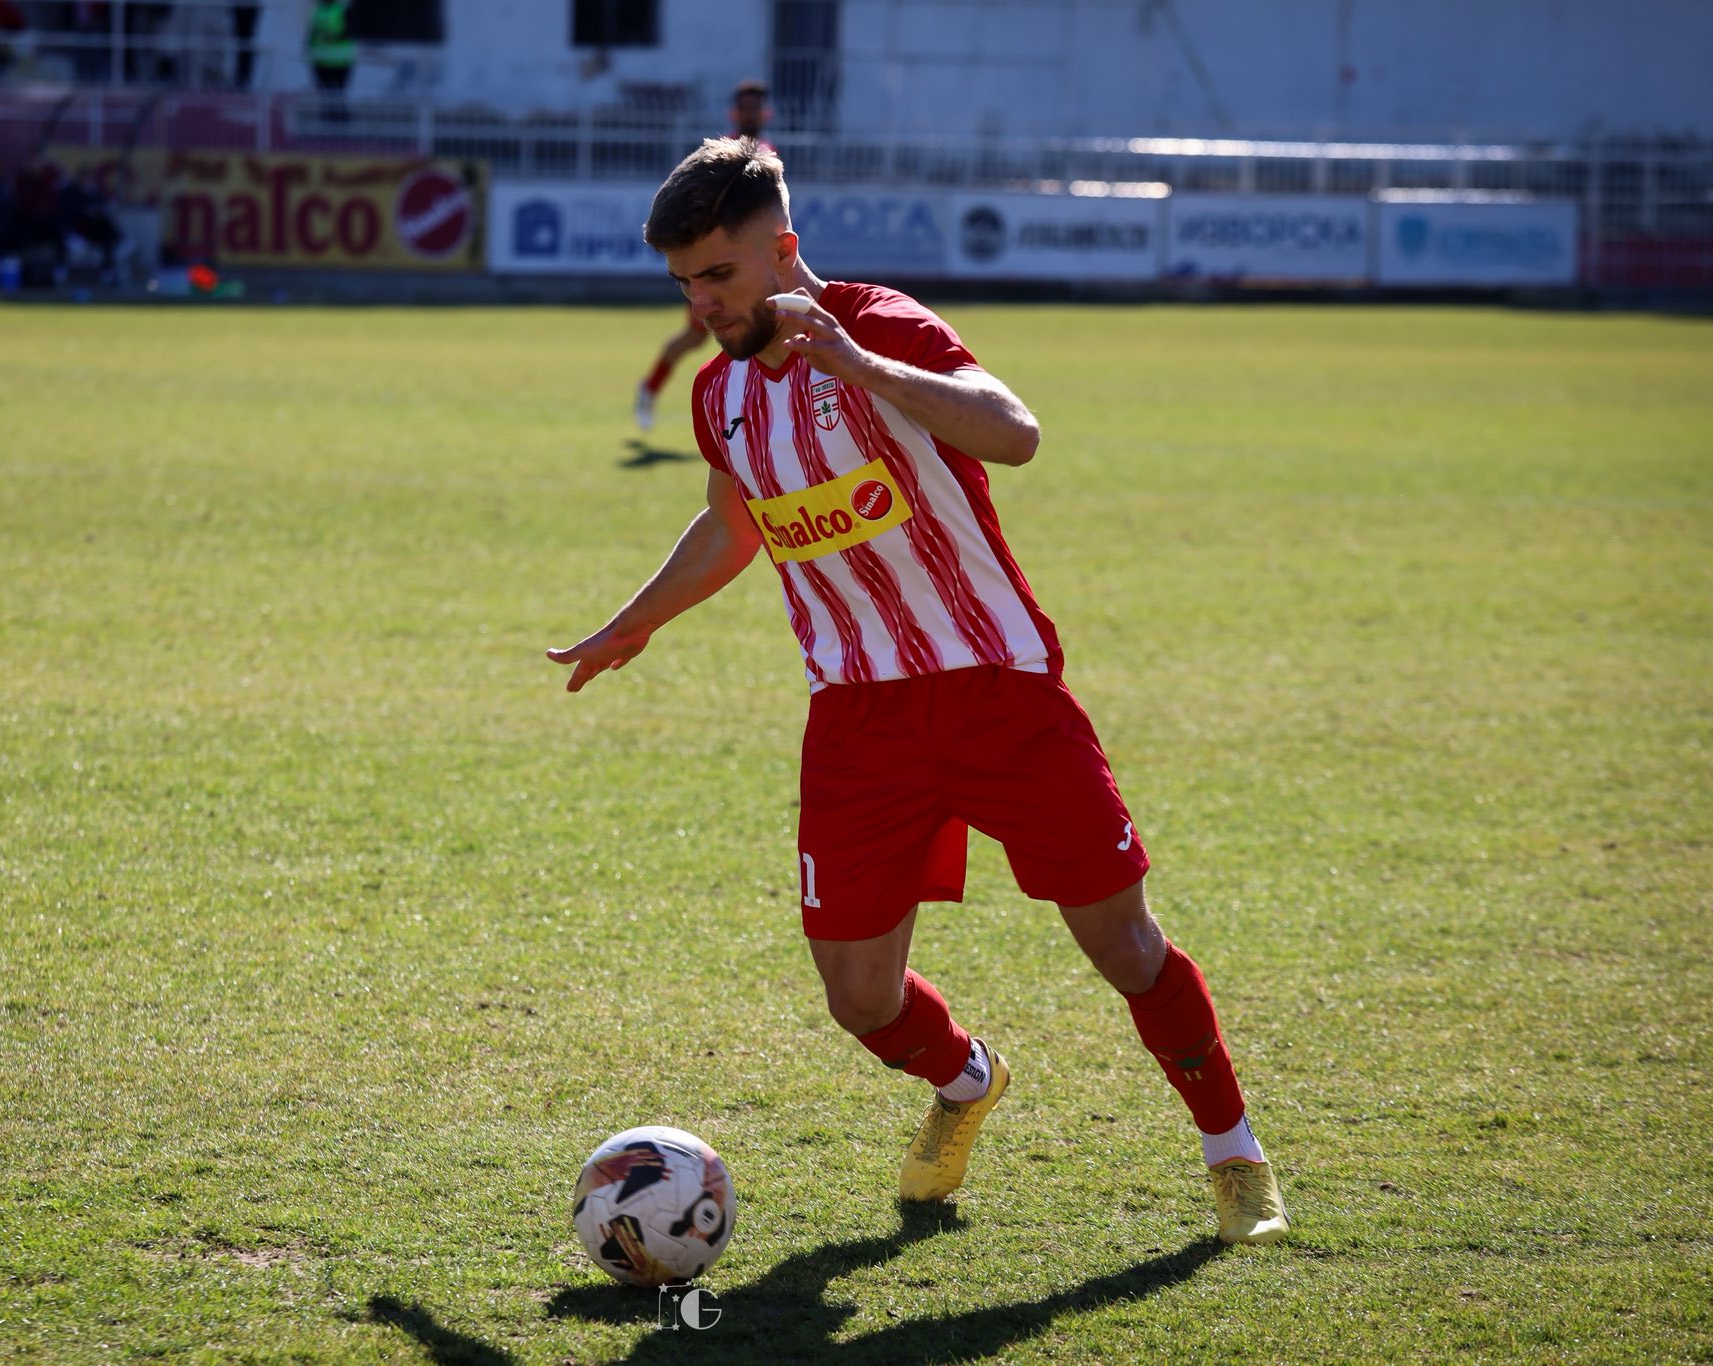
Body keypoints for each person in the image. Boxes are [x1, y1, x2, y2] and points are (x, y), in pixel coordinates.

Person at [548, 139, 1289, 1245]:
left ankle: (1233, 1153)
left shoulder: (881, 324)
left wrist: (858, 365)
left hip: (998, 690)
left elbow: (1014, 433)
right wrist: (630, 622)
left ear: (782, 251)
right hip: (855, 719)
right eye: (683, 285)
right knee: (858, 997)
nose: (701, 304)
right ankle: (966, 1078)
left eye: (718, 276)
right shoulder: (721, 397)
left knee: (1123, 946)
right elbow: (729, 521)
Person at [634, 79, 773, 433]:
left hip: (753, 266)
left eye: (756, 107)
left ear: (765, 113)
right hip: (717, 268)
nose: (751, 113)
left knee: (761, 330)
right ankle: (650, 389)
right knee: (701, 335)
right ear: (734, 113)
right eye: (745, 107)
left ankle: (756, 419)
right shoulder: (721, 154)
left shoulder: (769, 153)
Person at [306, 0, 354, 101]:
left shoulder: (341, 11)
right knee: (324, 96)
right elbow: (312, 34)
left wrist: (332, 38)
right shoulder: (317, 11)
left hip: (340, 61)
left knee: (339, 96)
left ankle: (339, 115)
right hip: (321, 60)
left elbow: (350, 32)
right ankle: (328, 115)